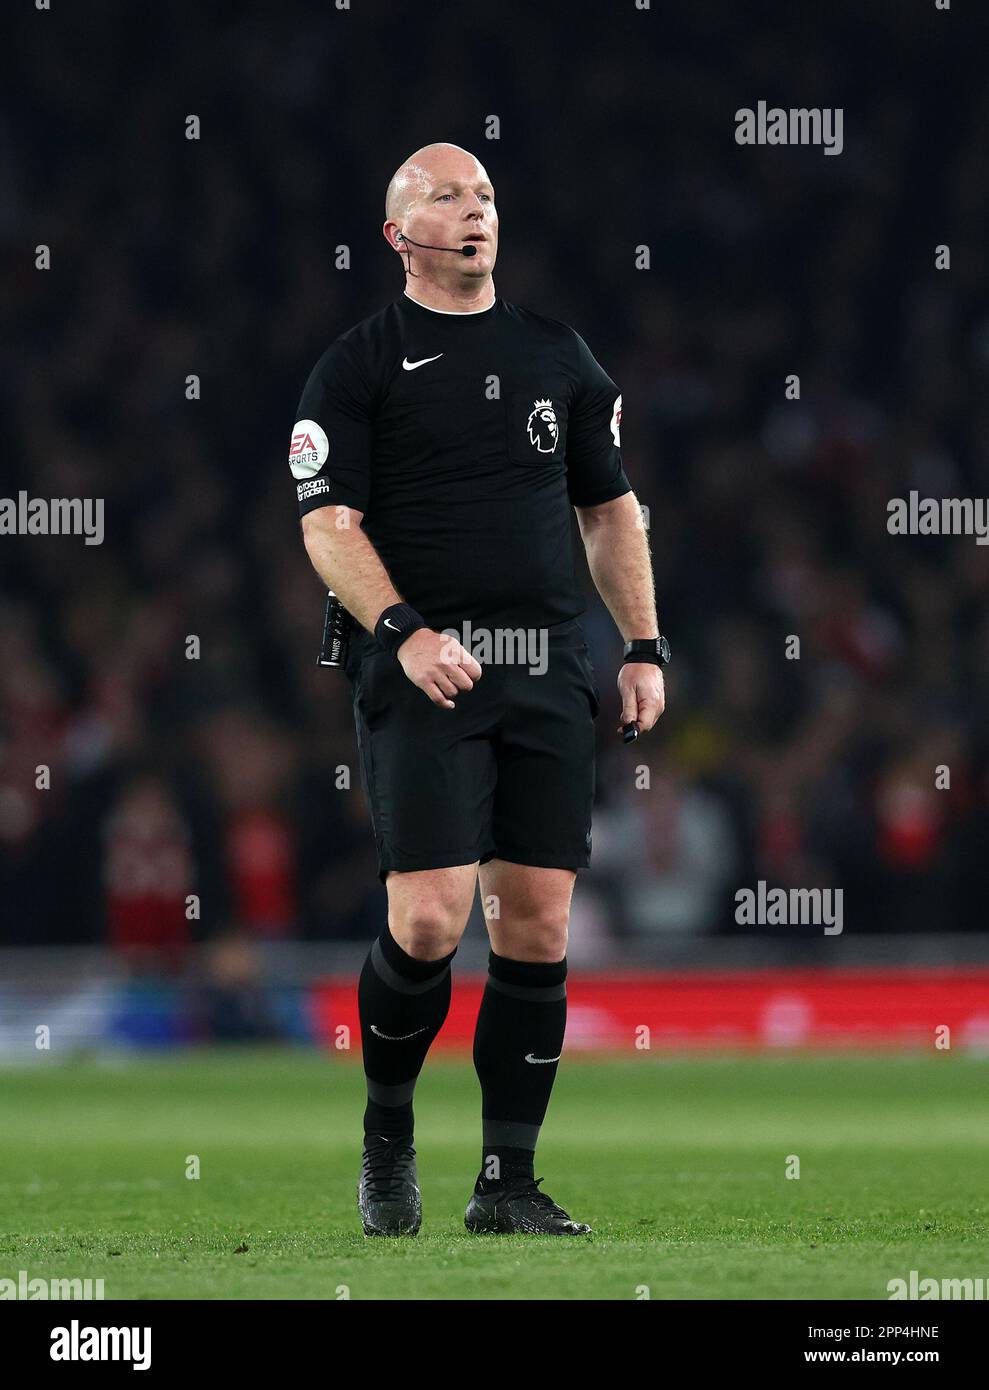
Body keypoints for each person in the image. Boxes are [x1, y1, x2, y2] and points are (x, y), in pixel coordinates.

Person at [291, 142, 668, 1236]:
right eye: (445, 196)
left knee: (539, 924)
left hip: (544, 665)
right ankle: (387, 1136)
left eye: (486, 196)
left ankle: (506, 1182)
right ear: (395, 235)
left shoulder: (557, 356)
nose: (474, 212)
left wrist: (640, 642)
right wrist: (401, 631)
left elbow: (608, 509)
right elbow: (327, 525)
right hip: (424, 666)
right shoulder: (356, 366)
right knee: (425, 914)